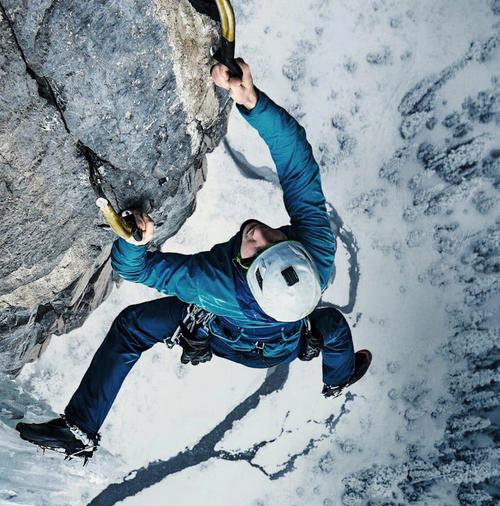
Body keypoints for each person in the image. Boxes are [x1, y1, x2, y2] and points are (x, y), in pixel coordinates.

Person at [16, 60, 371, 462]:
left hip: (223, 328)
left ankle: (81, 428)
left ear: (249, 275)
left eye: (255, 252)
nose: (256, 234)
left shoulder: (214, 285)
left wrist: (137, 242)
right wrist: (251, 101)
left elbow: (135, 270)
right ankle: (339, 377)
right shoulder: (316, 256)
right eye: (275, 241)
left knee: (132, 327)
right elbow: (298, 165)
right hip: (284, 341)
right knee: (332, 327)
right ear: (298, 256)